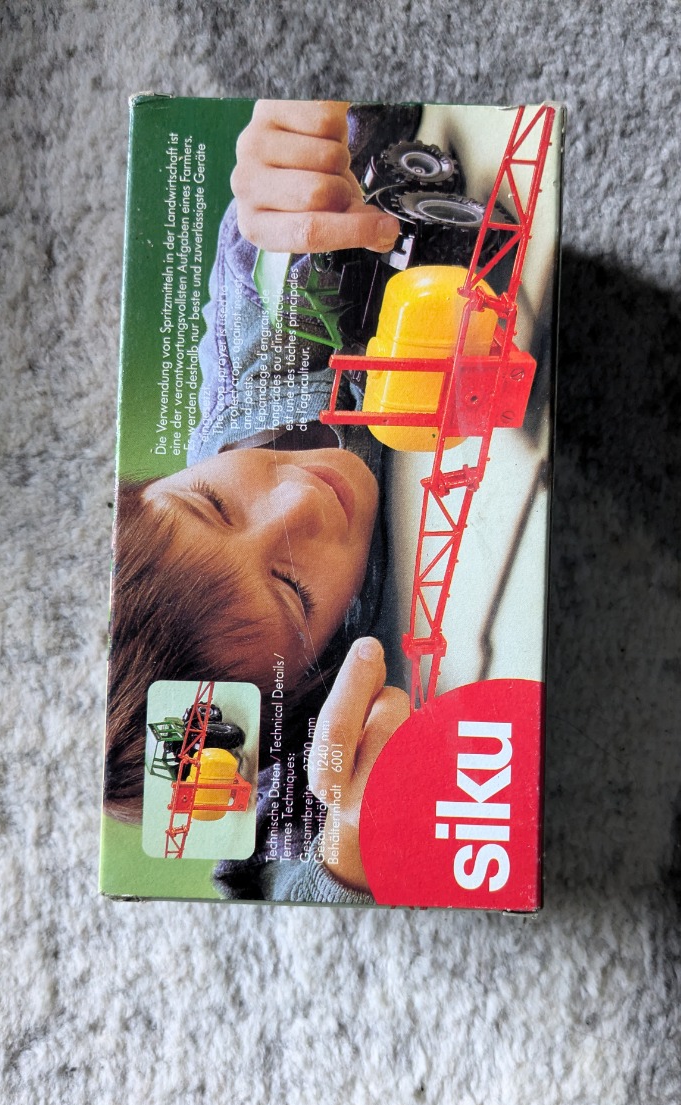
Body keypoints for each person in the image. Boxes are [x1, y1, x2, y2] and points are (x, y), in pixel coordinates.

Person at [105, 101, 423, 902]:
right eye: (293, 592)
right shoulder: (289, 752)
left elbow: (254, 258)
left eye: (213, 504)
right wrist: (351, 847)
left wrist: (284, 172)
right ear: (310, 680)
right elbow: (274, 880)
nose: (298, 502)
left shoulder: (248, 390)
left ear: (162, 481)